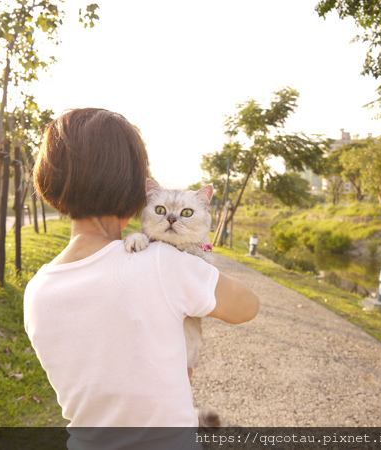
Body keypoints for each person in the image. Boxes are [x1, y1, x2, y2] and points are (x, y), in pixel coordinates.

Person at [23, 108, 259, 446]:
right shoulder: (163, 263)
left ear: (49, 183)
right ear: (138, 190)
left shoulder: (36, 290)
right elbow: (247, 306)